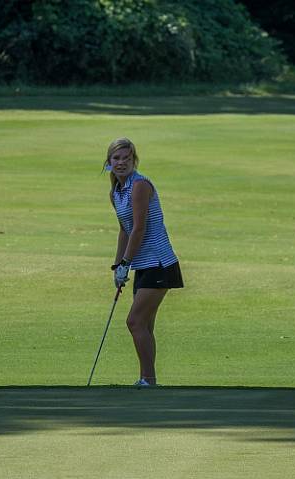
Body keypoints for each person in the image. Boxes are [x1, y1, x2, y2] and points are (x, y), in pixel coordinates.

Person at [104, 137, 183, 387]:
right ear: (109, 162)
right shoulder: (116, 191)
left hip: (159, 263)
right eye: (117, 158)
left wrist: (127, 261)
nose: (121, 163)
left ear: (134, 160)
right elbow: (124, 230)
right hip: (143, 266)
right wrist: (118, 266)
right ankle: (148, 379)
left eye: (127, 158)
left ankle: (147, 379)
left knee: (134, 321)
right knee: (144, 324)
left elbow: (139, 228)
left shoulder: (140, 185)